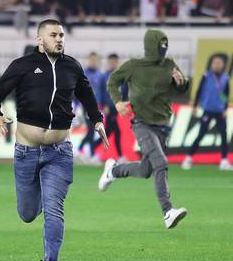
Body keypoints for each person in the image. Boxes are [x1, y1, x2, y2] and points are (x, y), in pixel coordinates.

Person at [0, 19, 108, 261]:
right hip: (26, 153)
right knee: (28, 213)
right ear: (40, 40)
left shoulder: (72, 67)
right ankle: (42, 195)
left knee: (55, 209)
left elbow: (87, 95)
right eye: (54, 35)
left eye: (62, 35)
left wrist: (97, 120)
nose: (60, 39)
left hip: (59, 153)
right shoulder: (22, 66)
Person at [98, 29, 189, 229]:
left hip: (163, 125)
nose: (163, 49)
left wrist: (182, 83)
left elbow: (183, 88)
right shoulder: (134, 66)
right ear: (151, 46)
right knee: (161, 163)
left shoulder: (170, 65)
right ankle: (168, 212)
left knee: (147, 169)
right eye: (160, 45)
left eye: (165, 46)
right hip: (141, 123)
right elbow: (112, 81)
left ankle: (113, 170)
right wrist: (118, 102)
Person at [182, 54, 231, 171]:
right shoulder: (206, 76)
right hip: (208, 110)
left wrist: (225, 108)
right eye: (215, 63)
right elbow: (199, 90)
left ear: (223, 65)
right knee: (201, 134)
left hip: (219, 111)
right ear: (212, 64)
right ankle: (188, 158)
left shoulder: (225, 78)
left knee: (224, 136)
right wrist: (195, 105)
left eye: (220, 63)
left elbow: (225, 94)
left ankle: (224, 161)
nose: (217, 65)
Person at [93, 53, 125, 162]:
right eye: (111, 62)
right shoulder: (104, 76)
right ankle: (120, 156)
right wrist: (103, 106)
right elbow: (101, 92)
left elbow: (125, 91)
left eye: (114, 61)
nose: (112, 63)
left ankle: (92, 150)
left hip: (117, 108)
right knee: (116, 132)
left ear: (117, 62)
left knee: (109, 131)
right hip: (109, 108)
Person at [76, 52, 104, 164]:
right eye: (92, 60)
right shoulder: (84, 73)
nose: (93, 62)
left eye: (95, 60)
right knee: (92, 130)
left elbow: (101, 91)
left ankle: (80, 150)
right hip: (86, 106)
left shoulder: (99, 75)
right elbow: (78, 90)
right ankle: (91, 154)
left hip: (96, 107)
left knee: (92, 131)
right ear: (89, 60)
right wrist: (77, 105)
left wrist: (101, 104)